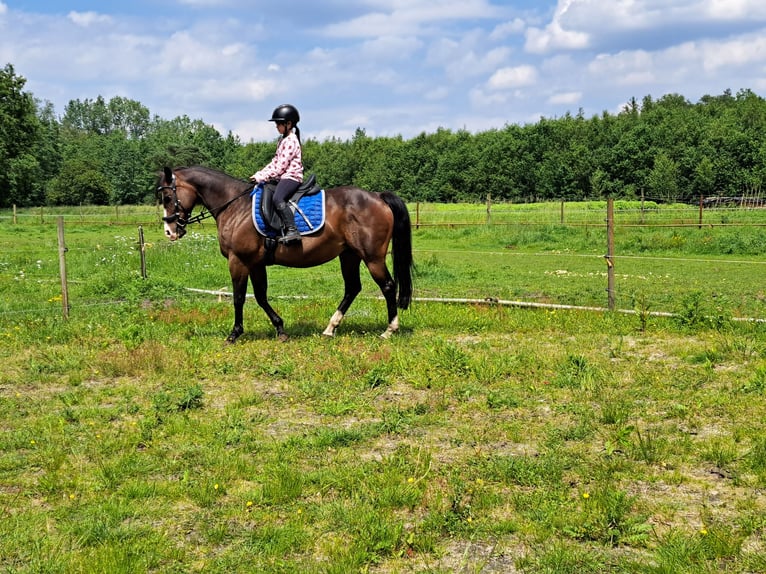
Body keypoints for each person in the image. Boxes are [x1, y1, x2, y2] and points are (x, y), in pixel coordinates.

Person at [250, 104, 303, 244]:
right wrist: (260, 174)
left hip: (291, 177)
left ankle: (292, 230)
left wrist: (263, 177)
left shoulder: (291, 141)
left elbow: (281, 166)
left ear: (289, 124)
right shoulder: (282, 140)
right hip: (283, 176)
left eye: (279, 123)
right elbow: (275, 162)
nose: (276, 126)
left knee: (278, 198)